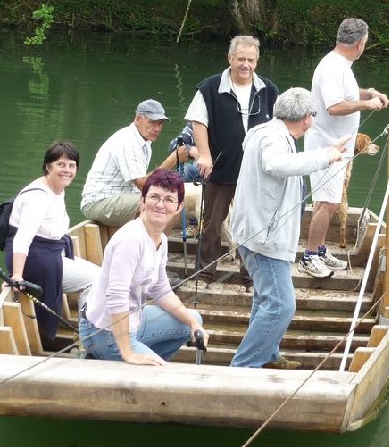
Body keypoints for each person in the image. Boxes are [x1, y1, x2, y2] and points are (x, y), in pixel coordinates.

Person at [229, 88, 347, 369]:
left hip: (256, 232)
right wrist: (326, 157)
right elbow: (276, 164)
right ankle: (243, 367)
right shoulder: (273, 138)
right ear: (307, 119)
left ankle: (268, 356)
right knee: (282, 305)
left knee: (265, 300)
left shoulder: (270, 133)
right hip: (263, 238)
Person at [79, 169, 206, 365]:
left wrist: (192, 323)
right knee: (162, 373)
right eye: (154, 196)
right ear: (143, 201)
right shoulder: (131, 239)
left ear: (179, 206)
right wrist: (128, 352)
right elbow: (116, 295)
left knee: (193, 319)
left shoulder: (160, 240)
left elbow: (161, 290)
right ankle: (127, 358)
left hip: (133, 321)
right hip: (105, 332)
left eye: (169, 199)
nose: (160, 205)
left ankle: (143, 362)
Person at [301, 18, 389, 279]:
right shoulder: (332, 67)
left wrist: (370, 94)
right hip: (327, 147)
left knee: (327, 202)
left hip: (337, 147)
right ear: (360, 43)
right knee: (327, 203)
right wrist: (367, 105)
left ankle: (318, 250)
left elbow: (348, 94)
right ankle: (309, 256)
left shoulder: (341, 65)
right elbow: (334, 106)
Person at [186, 35, 278, 279]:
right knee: (212, 223)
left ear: (257, 61)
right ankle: (205, 273)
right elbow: (198, 121)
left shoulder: (268, 90)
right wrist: (204, 154)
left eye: (250, 60)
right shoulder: (210, 87)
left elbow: (279, 127)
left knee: (254, 223)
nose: (245, 65)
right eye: (240, 59)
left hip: (256, 171)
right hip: (220, 167)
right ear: (230, 58)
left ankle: (250, 274)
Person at [6, 140, 100, 352]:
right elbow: (22, 238)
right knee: (97, 280)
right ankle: (89, 339)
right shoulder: (38, 197)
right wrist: (17, 276)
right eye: (61, 164)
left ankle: (90, 330)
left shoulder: (56, 189)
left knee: (98, 274)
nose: (67, 170)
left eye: (72, 165)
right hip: (35, 260)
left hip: (50, 253)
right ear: (48, 166)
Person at [80, 99, 189, 227]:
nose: (157, 129)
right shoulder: (127, 141)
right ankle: (154, 245)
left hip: (119, 198)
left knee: (169, 202)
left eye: (160, 124)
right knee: (158, 204)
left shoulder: (144, 142)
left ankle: (155, 243)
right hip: (98, 201)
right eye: (152, 122)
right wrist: (173, 159)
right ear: (137, 119)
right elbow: (143, 184)